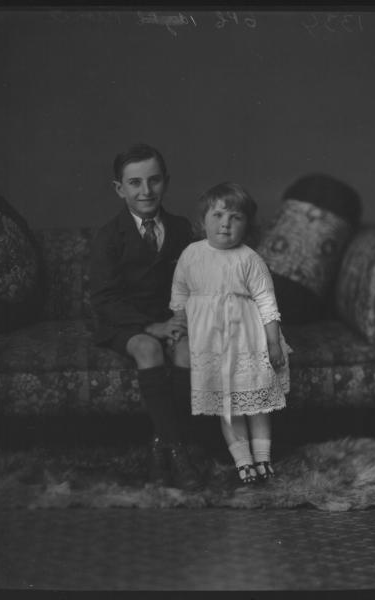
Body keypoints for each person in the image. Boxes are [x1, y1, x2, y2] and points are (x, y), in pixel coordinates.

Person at [90, 142, 202, 491]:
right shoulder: (109, 236)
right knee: (148, 349)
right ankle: (178, 449)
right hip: (125, 322)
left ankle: (159, 443)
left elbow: (195, 282)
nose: (145, 191)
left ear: (165, 182)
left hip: (170, 317)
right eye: (135, 183)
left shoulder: (182, 229)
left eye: (153, 181)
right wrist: (149, 326)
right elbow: (105, 299)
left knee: (186, 352)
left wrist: (182, 319)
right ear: (119, 188)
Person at [170, 182, 291, 484]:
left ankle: (263, 458)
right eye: (218, 215)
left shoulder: (249, 258)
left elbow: (266, 302)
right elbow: (180, 294)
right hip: (210, 343)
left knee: (257, 403)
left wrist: (273, 342)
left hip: (247, 340)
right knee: (228, 405)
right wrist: (180, 327)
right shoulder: (191, 255)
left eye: (235, 217)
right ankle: (243, 460)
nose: (225, 224)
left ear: (246, 225)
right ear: (203, 221)